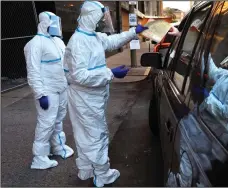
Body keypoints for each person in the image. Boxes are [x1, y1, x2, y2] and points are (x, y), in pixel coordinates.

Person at [63, 1, 148, 187]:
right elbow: (80, 76)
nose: (103, 21)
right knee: (96, 135)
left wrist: (135, 31)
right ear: (91, 17)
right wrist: (110, 73)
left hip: (91, 96)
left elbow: (112, 41)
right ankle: (102, 174)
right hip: (85, 97)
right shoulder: (78, 43)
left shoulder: (92, 36)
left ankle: (86, 169)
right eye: (101, 18)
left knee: (84, 134)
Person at [24, 11, 74, 170]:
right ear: (46, 22)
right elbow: (33, 71)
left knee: (58, 120)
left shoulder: (58, 42)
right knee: (46, 122)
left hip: (61, 87)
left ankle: (58, 147)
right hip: (47, 91)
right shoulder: (35, 44)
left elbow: (66, 64)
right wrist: (40, 94)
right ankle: (39, 157)